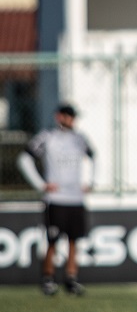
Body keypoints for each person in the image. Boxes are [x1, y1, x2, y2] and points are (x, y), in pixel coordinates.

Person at [17, 103, 95, 295]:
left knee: (73, 241)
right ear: (58, 117)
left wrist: (91, 182)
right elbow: (24, 159)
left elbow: (94, 158)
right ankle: (48, 278)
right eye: (68, 116)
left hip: (75, 198)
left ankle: (71, 278)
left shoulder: (79, 139)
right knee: (52, 240)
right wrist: (41, 184)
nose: (71, 120)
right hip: (56, 198)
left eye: (73, 117)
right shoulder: (47, 137)